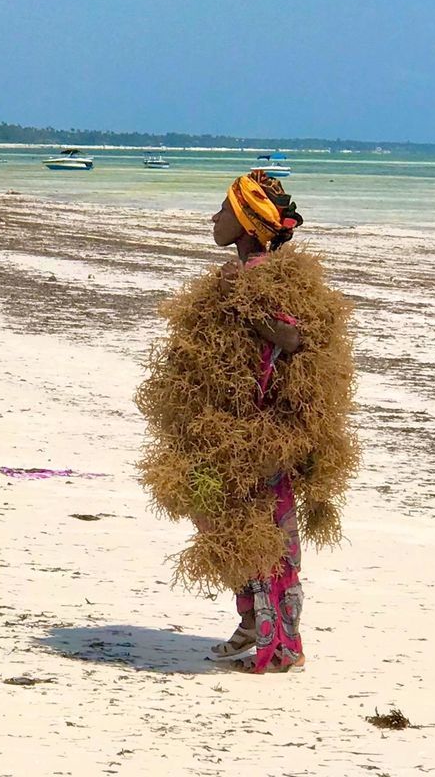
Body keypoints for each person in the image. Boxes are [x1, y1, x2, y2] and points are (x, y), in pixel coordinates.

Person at [136, 170, 357, 674]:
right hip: (228, 428)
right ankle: (251, 622)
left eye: (224, 208)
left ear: (249, 221)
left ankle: (280, 645)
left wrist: (248, 300)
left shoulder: (262, 278)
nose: (214, 217)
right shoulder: (244, 273)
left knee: (268, 533)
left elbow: (293, 337)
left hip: (262, 433)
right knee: (226, 522)